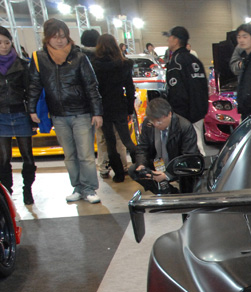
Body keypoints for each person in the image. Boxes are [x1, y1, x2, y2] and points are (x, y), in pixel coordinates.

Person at [27, 19, 103, 204]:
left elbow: (91, 85)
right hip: (58, 115)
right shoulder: (39, 58)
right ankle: (77, 187)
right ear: (47, 38)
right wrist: (31, 108)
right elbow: (34, 85)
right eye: (55, 37)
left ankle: (89, 188)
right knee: (69, 155)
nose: (60, 40)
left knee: (85, 154)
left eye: (63, 36)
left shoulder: (79, 57)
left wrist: (97, 112)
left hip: (82, 113)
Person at [0, 26, 37, 204]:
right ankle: (7, 192)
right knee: (4, 157)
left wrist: (32, 113)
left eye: (7, 42)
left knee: (28, 156)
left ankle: (28, 189)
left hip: (21, 113)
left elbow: (31, 91)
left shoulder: (22, 64)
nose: (4, 46)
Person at [91, 34, 137, 183]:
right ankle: (139, 165)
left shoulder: (94, 65)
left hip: (103, 107)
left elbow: (92, 89)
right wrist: (130, 108)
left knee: (110, 143)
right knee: (126, 140)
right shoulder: (124, 64)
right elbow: (129, 88)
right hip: (119, 105)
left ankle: (118, 175)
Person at [129, 97, 199, 194]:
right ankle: (168, 192)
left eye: (159, 121)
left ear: (169, 114)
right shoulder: (148, 124)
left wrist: (167, 175)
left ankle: (180, 195)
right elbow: (142, 148)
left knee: (188, 177)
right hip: (157, 163)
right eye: (152, 121)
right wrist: (141, 165)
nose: (156, 124)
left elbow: (188, 157)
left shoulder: (184, 127)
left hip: (177, 165)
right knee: (133, 170)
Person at [164, 26, 208, 155]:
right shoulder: (195, 61)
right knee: (198, 144)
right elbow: (204, 87)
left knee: (187, 149)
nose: (168, 40)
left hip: (184, 116)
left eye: (170, 37)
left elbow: (176, 92)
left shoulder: (176, 63)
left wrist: (177, 116)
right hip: (199, 113)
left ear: (176, 40)